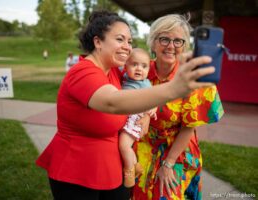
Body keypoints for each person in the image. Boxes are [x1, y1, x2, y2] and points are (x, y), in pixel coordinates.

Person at [36, 10, 216, 200]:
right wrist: (174, 89)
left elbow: (135, 92)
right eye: (120, 39)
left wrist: (147, 115)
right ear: (98, 42)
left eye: (129, 41)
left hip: (116, 165)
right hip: (79, 169)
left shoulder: (114, 71)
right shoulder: (83, 73)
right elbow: (112, 102)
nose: (127, 47)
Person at [132, 14, 224, 200]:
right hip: (142, 145)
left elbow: (189, 127)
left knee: (166, 195)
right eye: (164, 39)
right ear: (153, 42)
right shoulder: (139, 70)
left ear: (185, 45)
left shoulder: (192, 77)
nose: (171, 46)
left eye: (178, 41)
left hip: (177, 150)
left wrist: (168, 164)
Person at [119, 48, 156, 188]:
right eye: (134, 64)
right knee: (126, 146)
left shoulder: (145, 84)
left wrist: (151, 109)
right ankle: (136, 166)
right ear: (125, 66)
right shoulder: (127, 78)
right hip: (130, 118)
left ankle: (129, 171)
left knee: (123, 145)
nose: (139, 69)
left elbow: (154, 99)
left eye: (144, 66)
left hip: (135, 119)